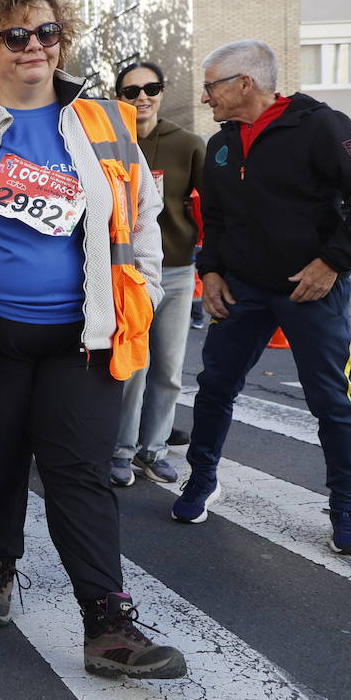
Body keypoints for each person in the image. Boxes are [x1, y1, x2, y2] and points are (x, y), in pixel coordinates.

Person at [0, 0, 186, 679]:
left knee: (80, 475)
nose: (35, 46)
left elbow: (143, 217)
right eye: (17, 35)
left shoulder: (105, 123)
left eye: (48, 32)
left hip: (82, 340)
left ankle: (107, 624)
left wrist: (146, 291)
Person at [174, 40, 351, 556]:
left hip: (311, 289)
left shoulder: (323, 125)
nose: (205, 97)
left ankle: (347, 508)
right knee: (214, 388)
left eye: (210, 86)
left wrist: (332, 262)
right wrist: (211, 273)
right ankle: (201, 480)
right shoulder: (221, 145)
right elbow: (216, 218)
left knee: (332, 400)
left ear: (244, 83)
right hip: (242, 290)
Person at [109, 61, 205, 487]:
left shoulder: (188, 144)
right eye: (131, 91)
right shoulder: (109, 142)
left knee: (167, 368)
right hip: (125, 272)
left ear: (163, 92)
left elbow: (213, 207)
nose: (142, 97)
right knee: (133, 366)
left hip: (177, 271)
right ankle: (121, 451)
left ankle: (154, 450)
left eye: (151, 88)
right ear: (119, 98)